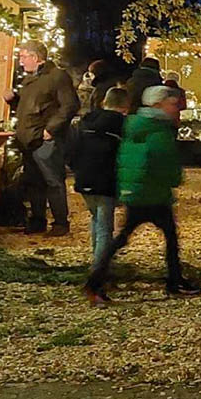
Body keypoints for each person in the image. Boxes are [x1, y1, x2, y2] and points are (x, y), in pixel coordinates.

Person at [83, 86, 199, 304]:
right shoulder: (158, 130)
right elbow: (162, 161)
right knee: (168, 238)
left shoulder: (135, 125)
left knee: (124, 237)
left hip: (137, 190)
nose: (175, 108)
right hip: (152, 193)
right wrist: (174, 179)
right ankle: (174, 281)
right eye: (171, 103)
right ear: (158, 105)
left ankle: (94, 281)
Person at [4, 40, 80, 236]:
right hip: (29, 139)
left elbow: (70, 105)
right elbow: (30, 106)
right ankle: (37, 221)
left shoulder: (56, 77)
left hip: (45, 139)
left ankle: (60, 223)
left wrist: (51, 130)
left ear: (35, 58)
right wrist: (14, 101)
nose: (21, 62)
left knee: (52, 181)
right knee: (34, 181)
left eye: (23, 57)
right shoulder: (30, 79)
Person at [73, 87, 130, 270]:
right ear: (125, 106)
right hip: (106, 180)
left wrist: (77, 169)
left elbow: (72, 150)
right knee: (105, 227)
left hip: (84, 178)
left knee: (96, 219)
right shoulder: (122, 126)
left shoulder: (86, 122)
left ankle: (96, 258)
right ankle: (100, 268)